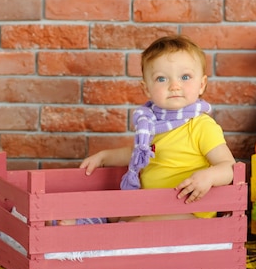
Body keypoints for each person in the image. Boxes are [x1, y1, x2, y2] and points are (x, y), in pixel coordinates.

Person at [78, 34, 236, 222]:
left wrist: (209, 177)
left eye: (185, 77)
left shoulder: (201, 126)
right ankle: (80, 226)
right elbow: (138, 154)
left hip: (186, 210)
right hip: (152, 204)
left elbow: (230, 167)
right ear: (147, 89)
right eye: (162, 79)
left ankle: (103, 239)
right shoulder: (151, 125)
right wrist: (105, 156)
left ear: (201, 85)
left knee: (129, 226)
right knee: (111, 211)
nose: (175, 86)